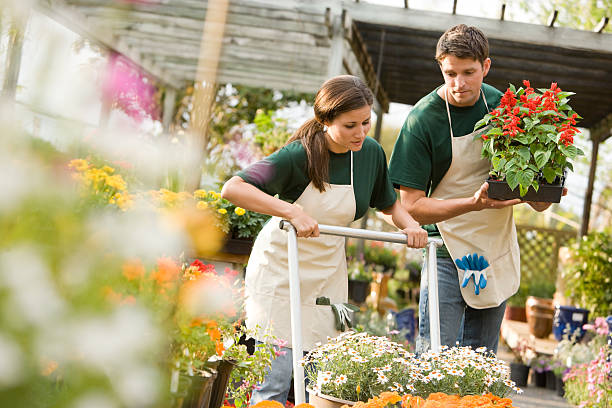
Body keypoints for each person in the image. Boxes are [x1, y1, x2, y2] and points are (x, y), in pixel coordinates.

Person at [221, 75, 428, 404]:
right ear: (325, 120)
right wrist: (292, 212)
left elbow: (388, 203)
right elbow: (234, 187)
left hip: (327, 277)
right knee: (273, 383)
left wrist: (409, 226)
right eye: (350, 125)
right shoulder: (297, 156)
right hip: (281, 274)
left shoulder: (370, 153)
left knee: (321, 390)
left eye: (365, 122)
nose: (360, 133)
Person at [388, 24, 558, 355]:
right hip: (444, 249)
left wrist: (540, 194)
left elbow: (538, 203)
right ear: (440, 66)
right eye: (450, 73)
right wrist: (473, 203)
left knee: (482, 360)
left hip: (493, 247)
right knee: (435, 359)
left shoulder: (506, 108)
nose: (459, 84)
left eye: (469, 72)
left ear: (486, 66)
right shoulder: (423, 120)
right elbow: (410, 206)